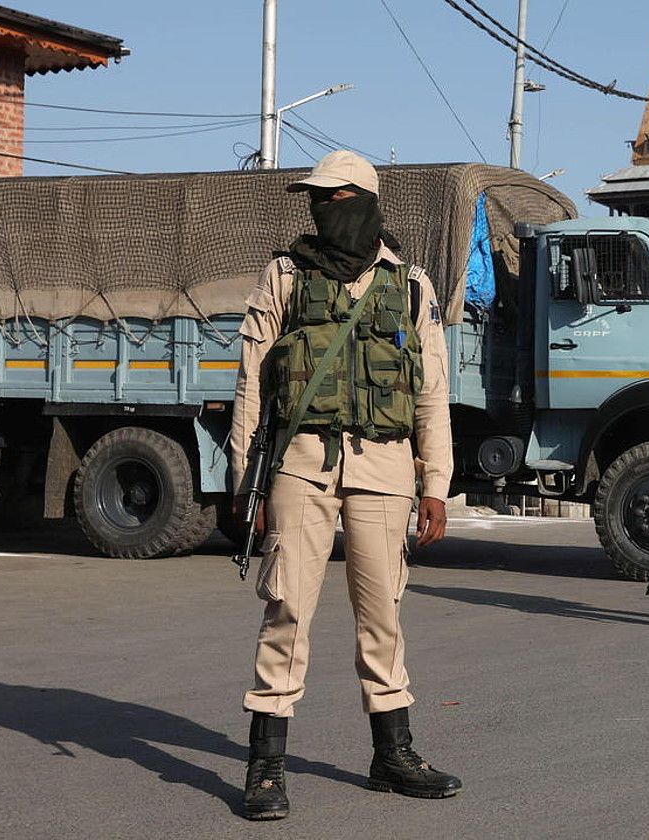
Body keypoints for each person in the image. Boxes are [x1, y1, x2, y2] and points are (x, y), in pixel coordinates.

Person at [230, 150, 460, 820]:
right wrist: (244, 479)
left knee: (382, 615)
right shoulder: (283, 275)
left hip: (386, 471)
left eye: (333, 197)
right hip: (300, 463)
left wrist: (437, 485)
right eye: (316, 198)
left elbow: (432, 394)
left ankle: (393, 753)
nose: (322, 208)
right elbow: (251, 381)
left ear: (363, 199)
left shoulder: (411, 285)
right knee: (287, 609)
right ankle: (266, 765)